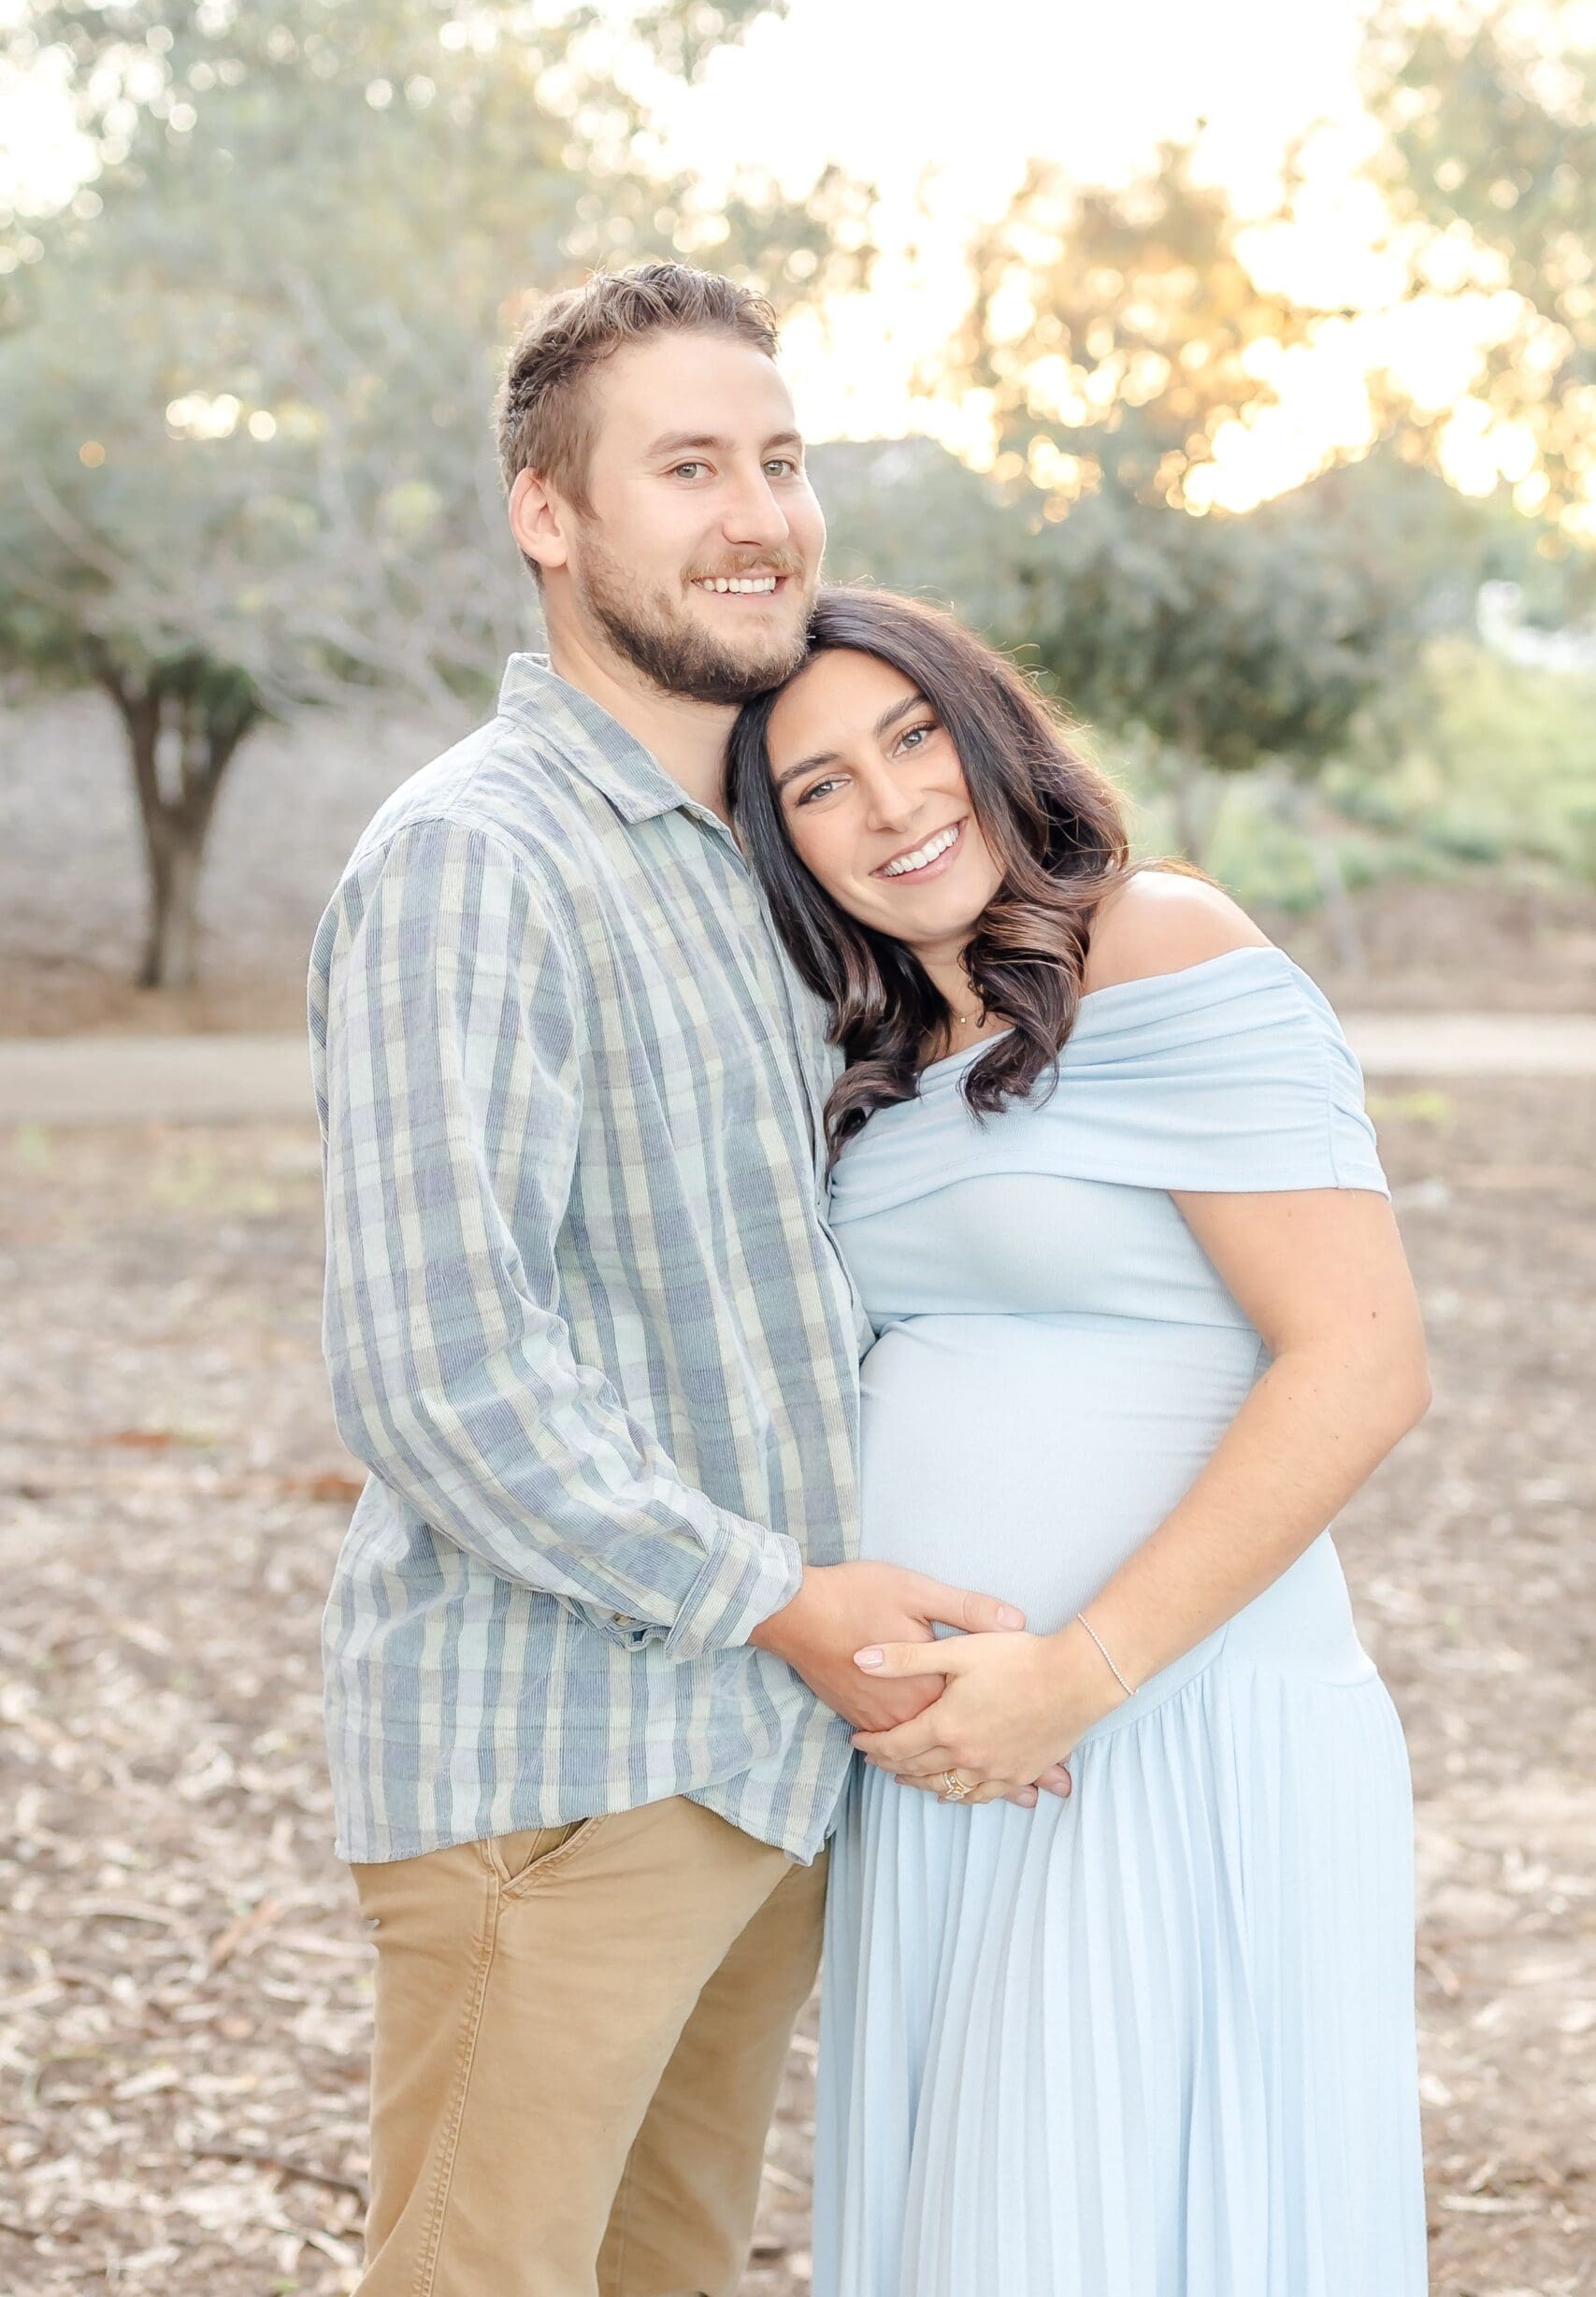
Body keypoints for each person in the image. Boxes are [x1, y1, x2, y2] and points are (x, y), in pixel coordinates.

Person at [307, 268, 1037, 2297]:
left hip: (753, 1763)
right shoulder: (483, 853)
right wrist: (788, 1601)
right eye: (689, 465)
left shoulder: (751, 856)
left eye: (782, 462)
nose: (758, 515)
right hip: (557, 1768)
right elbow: (439, 1367)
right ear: (549, 514)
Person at [725, 586, 1432, 2297]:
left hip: (1167, 1718)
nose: (891, 806)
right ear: (781, 840)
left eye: (912, 740)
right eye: (820, 785)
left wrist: (1083, 1673)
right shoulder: (877, 1046)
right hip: (961, 1751)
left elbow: (1362, 1361)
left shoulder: (1162, 941)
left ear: (990, 733)